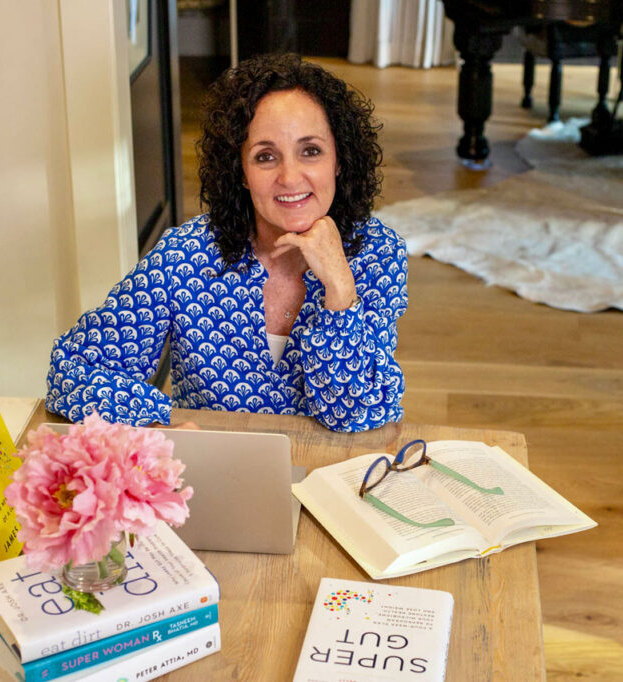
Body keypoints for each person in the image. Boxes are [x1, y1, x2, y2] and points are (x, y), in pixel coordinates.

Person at [46, 53, 407, 433]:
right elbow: (72, 370)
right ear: (242, 173)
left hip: (329, 480)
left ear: (339, 160)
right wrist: (158, 425)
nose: (290, 176)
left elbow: (359, 414)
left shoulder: (378, 253)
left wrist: (339, 286)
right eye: (265, 156)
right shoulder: (184, 256)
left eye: (310, 151)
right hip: (217, 482)